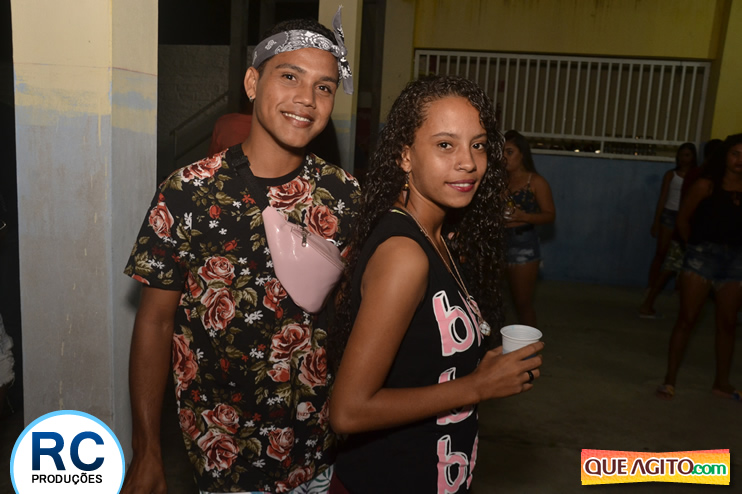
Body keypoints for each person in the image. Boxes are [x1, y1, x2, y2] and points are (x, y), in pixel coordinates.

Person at [122, 10, 360, 493]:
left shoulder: (345, 195)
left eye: (324, 87)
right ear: (253, 83)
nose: (306, 98)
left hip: (319, 450)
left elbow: (350, 317)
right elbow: (154, 323)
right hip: (224, 457)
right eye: (289, 77)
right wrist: (146, 449)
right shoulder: (186, 192)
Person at [327, 76, 544, 493]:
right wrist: (477, 386)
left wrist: (481, 366)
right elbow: (348, 411)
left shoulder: (439, 237)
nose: (468, 163)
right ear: (405, 155)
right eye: (446, 144)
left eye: (478, 145)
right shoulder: (405, 255)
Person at [656, 133, 742, 401]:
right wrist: (692, 249)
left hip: (735, 261)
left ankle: (721, 383)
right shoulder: (706, 185)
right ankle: (669, 380)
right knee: (687, 319)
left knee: (728, 323)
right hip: (700, 257)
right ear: (725, 156)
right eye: (735, 154)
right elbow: (682, 220)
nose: (740, 160)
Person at [502, 130, 555, 327]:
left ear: (522, 154)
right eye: (501, 152)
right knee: (490, 300)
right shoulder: (498, 181)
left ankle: (530, 343)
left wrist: (523, 216)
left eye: (509, 152)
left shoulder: (536, 182)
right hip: (497, 241)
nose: (504, 157)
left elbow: (550, 215)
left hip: (523, 243)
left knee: (522, 303)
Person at [639, 143, 698, 318]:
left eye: (687, 155)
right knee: (662, 253)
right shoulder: (671, 175)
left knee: (682, 255)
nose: (683, 159)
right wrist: (656, 221)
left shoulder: (696, 176)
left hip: (686, 216)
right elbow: (663, 198)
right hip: (669, 215)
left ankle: (678, 289)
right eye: (681, 155)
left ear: (693, 157)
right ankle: (651, 286)